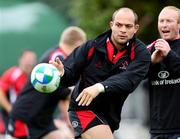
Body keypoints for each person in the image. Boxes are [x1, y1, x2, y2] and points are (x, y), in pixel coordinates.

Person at [50, 7, 151, 139]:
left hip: (110, 117)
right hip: (82, 109)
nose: (123, 30)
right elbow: (70, 76)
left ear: (135, 28)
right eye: (119, 25)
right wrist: (63, 73)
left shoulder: (141, 53)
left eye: (128, 26)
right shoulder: (91, 47)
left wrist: (99, 87)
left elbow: (129, 81)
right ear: (111, 25)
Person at [9, 26, 87, 139]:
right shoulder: (57, 59)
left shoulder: (60, 56)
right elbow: (64, 94)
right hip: (26, 117)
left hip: (43, 120)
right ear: (78, 45)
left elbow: (63, 95)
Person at [147, 6, 180, 139]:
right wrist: (152, 63)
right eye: (161, 21)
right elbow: (135, 77)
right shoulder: (150, 48)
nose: (164, 25)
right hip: (157, 130)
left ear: (179, 24)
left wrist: (169, 54)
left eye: (169, 21)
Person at [0, 50, 37, 139]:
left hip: (30, 122)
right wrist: (10, 109)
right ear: (20, 60)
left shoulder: (36, 78)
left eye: (32, 60)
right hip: (12, 122)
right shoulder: (13, 74)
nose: (29, 63)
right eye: (27, 59)